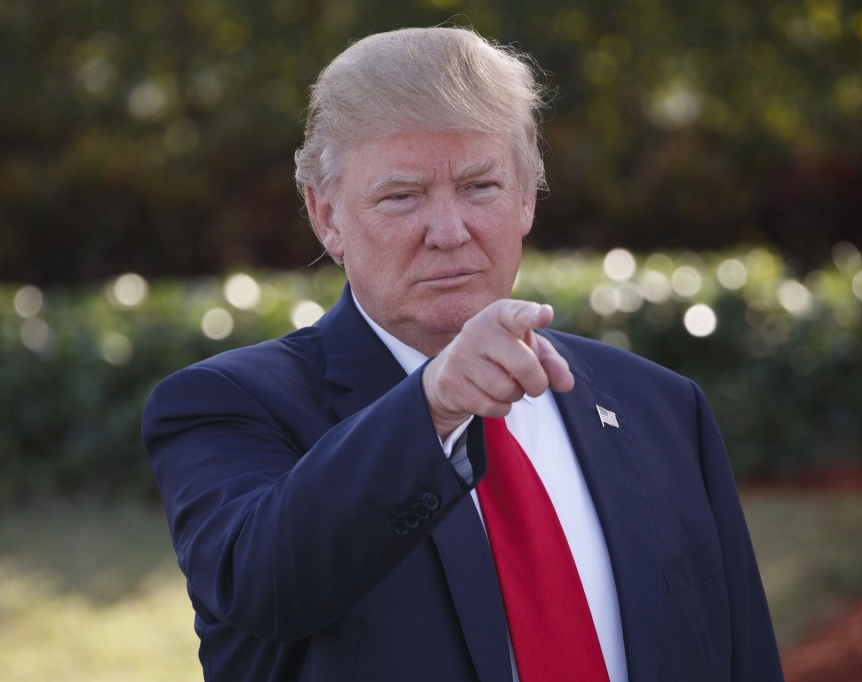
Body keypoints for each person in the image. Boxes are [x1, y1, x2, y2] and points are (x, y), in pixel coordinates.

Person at [143, 26, 784, 682]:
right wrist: (432, 407)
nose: (449, 232)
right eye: (402, 197)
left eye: (481, 187)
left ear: (528, 194)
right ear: (326, 214)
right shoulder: (224, 406)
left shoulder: (662, 408)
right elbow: (262, 585)